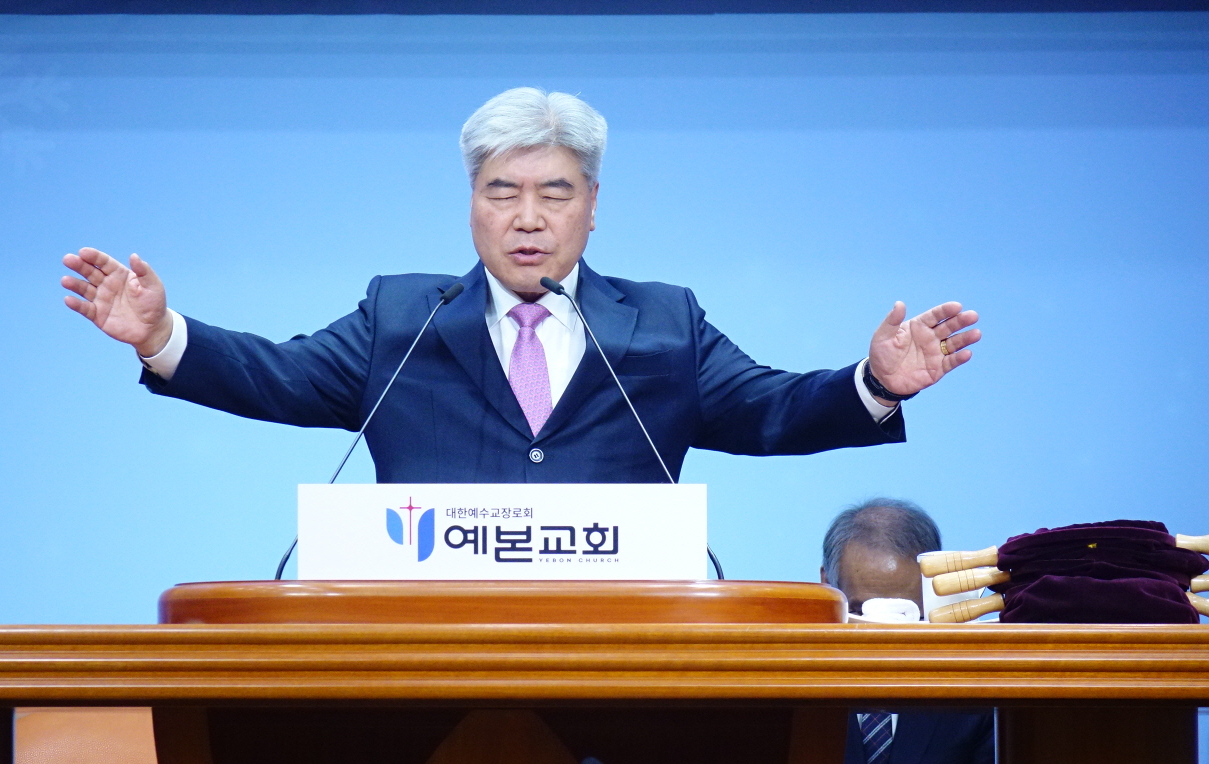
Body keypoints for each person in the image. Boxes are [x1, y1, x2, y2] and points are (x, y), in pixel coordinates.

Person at [60, 88, 981, 482]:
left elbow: (771, 410)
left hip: (624, 656)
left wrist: (875, 384)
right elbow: (279, 377)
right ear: (472, 206)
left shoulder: (664, 323)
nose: (528, 218)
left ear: (593, 208)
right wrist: (161, 335)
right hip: (428, 650)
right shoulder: (401, 319)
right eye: (503, 193)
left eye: (555, 194)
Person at [821, 499, 995, 764]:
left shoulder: (977, 695)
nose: (882, 634)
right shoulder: (781, 686)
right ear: (827, 585)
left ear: (936, 588)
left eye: (904, 614)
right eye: (861, 612)